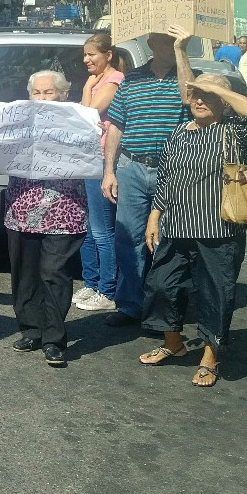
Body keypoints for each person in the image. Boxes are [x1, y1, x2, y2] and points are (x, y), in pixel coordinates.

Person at [140, 38, 247, 387]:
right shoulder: (180, 132)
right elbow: (167, 176)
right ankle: (174, 344)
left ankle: (210, 357)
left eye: (207, 96)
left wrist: (218, 86)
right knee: (161, 286)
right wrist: (155, 216)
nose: (198, 100)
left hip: (219, 229)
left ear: (224, 103)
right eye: (194, 94)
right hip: (177, 225)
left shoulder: (236, 133)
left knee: (215, 293)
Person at [101, 28, 190, 327]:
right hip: (133, 167)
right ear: (150, 43)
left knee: (167, 241)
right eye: (159, 40)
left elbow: (189, 98)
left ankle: (163, 308)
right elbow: (116, 124)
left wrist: (181, 51)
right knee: (129, 239)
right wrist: (109, 171)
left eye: (168, 41)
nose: (159, 45)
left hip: (175, 170)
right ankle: (130, 305)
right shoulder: (132, 78)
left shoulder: (190, 75)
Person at [5, 71, 88, 367]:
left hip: (62, 208)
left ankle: (54, 338)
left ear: (63, 95)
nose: (41, 98)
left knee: (54, 271)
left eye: (49, 92)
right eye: (36, 93)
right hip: (23, 206)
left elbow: (91, 151)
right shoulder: (16, 119)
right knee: (25, 271)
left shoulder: (78, 119)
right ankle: (31, 329)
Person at [75, 32, 125, 312]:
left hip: (102, 161)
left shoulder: (114, 80)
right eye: (85, 54)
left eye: (92, 54)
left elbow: (89, 115)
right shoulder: (99, 80)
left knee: (103, 230)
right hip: (87, 158)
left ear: (108, 55)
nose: (86, 59)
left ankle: (108, 291)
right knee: (89, 229)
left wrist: (86, 89)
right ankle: (91, 282)